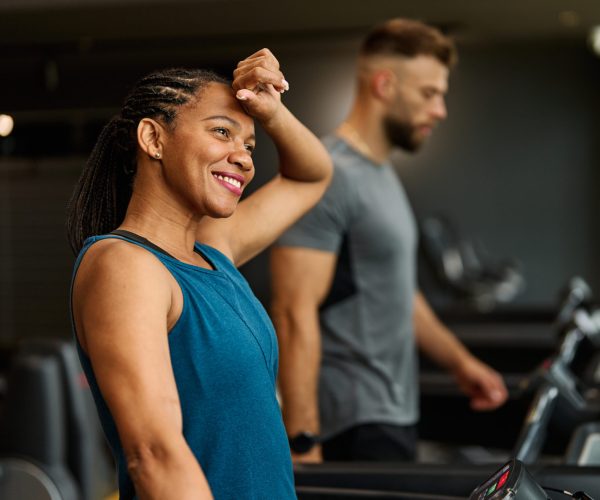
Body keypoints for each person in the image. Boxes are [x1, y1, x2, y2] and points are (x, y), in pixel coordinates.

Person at [66, 49, 332, 499]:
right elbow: (154, 453)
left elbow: (312, 176)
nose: (245, 158)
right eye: (222, 132)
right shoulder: (124, 265)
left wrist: (271, 110)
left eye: (249, 145)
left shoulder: (212, 253)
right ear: (152, 139)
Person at [270, 19, 509, 463]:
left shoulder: (379, 172)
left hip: (391, 407)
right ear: (384, 85)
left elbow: (398, 290)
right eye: (429, 93)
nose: (440, 109)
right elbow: (291, 309)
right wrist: (302, 440)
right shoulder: (328, 172)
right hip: (352, 419)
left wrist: (460, 362)